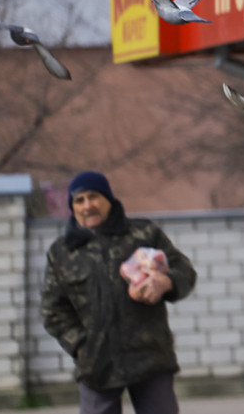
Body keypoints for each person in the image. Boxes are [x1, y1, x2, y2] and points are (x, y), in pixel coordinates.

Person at [41, 171, 197, 414]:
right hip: (96, 366)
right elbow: (52, 311)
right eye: (79, 200)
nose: (87, 205)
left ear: (109, 199)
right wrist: (82, 346)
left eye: (94, 196)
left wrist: (166, 282)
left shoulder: (144, 234)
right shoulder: (61, 252)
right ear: (72, 207)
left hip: (150, 357)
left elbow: (185, 271)